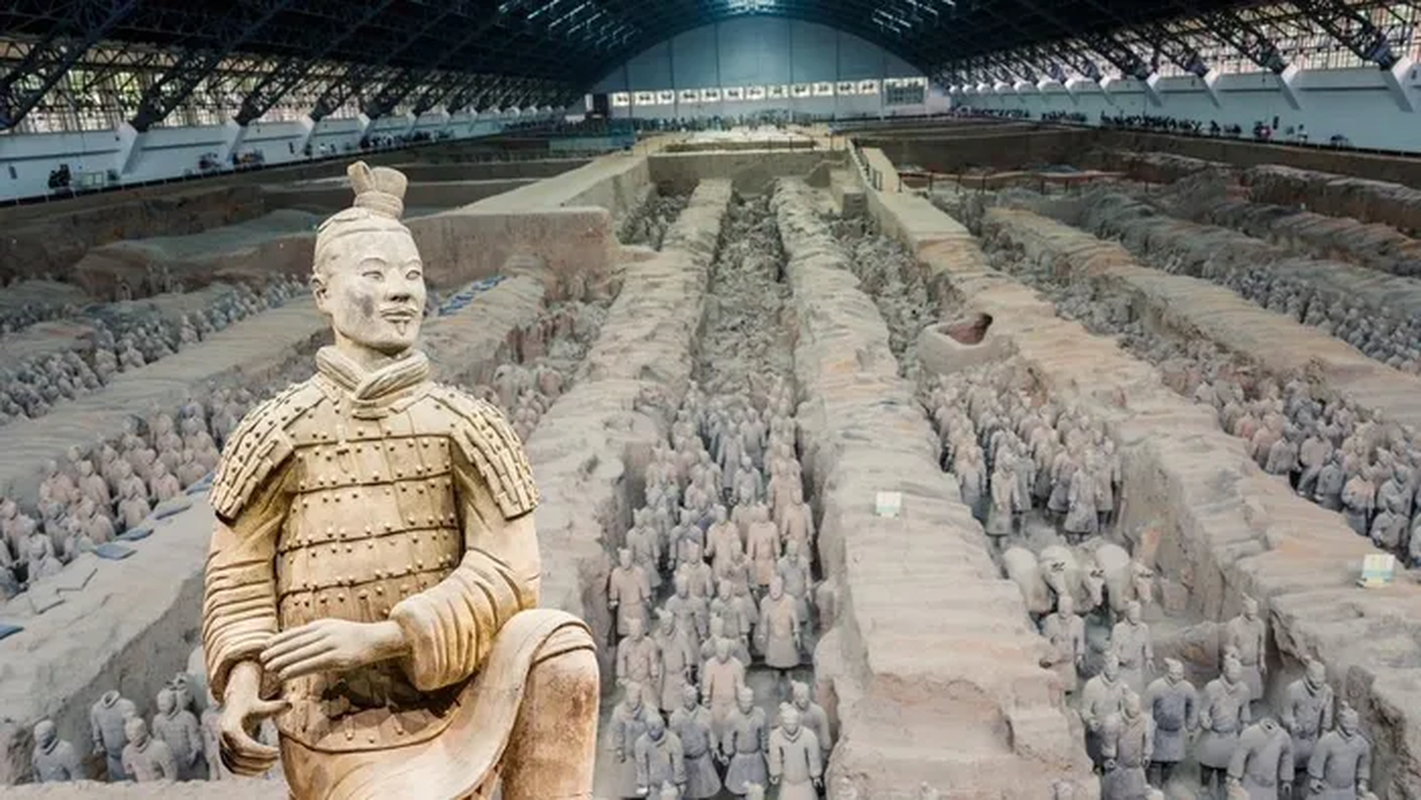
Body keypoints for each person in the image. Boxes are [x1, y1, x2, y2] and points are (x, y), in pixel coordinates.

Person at [200, 163, 598, 800]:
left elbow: (509, 572)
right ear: (322, 292)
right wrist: (244, 685)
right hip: (337, 723)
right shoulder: (276, 429)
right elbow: (238, 576)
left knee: (561, 650)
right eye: (375, 275)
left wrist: (382, 639)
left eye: (412, 276)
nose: (401, 293)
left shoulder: (468, 423)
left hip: (455, 694)